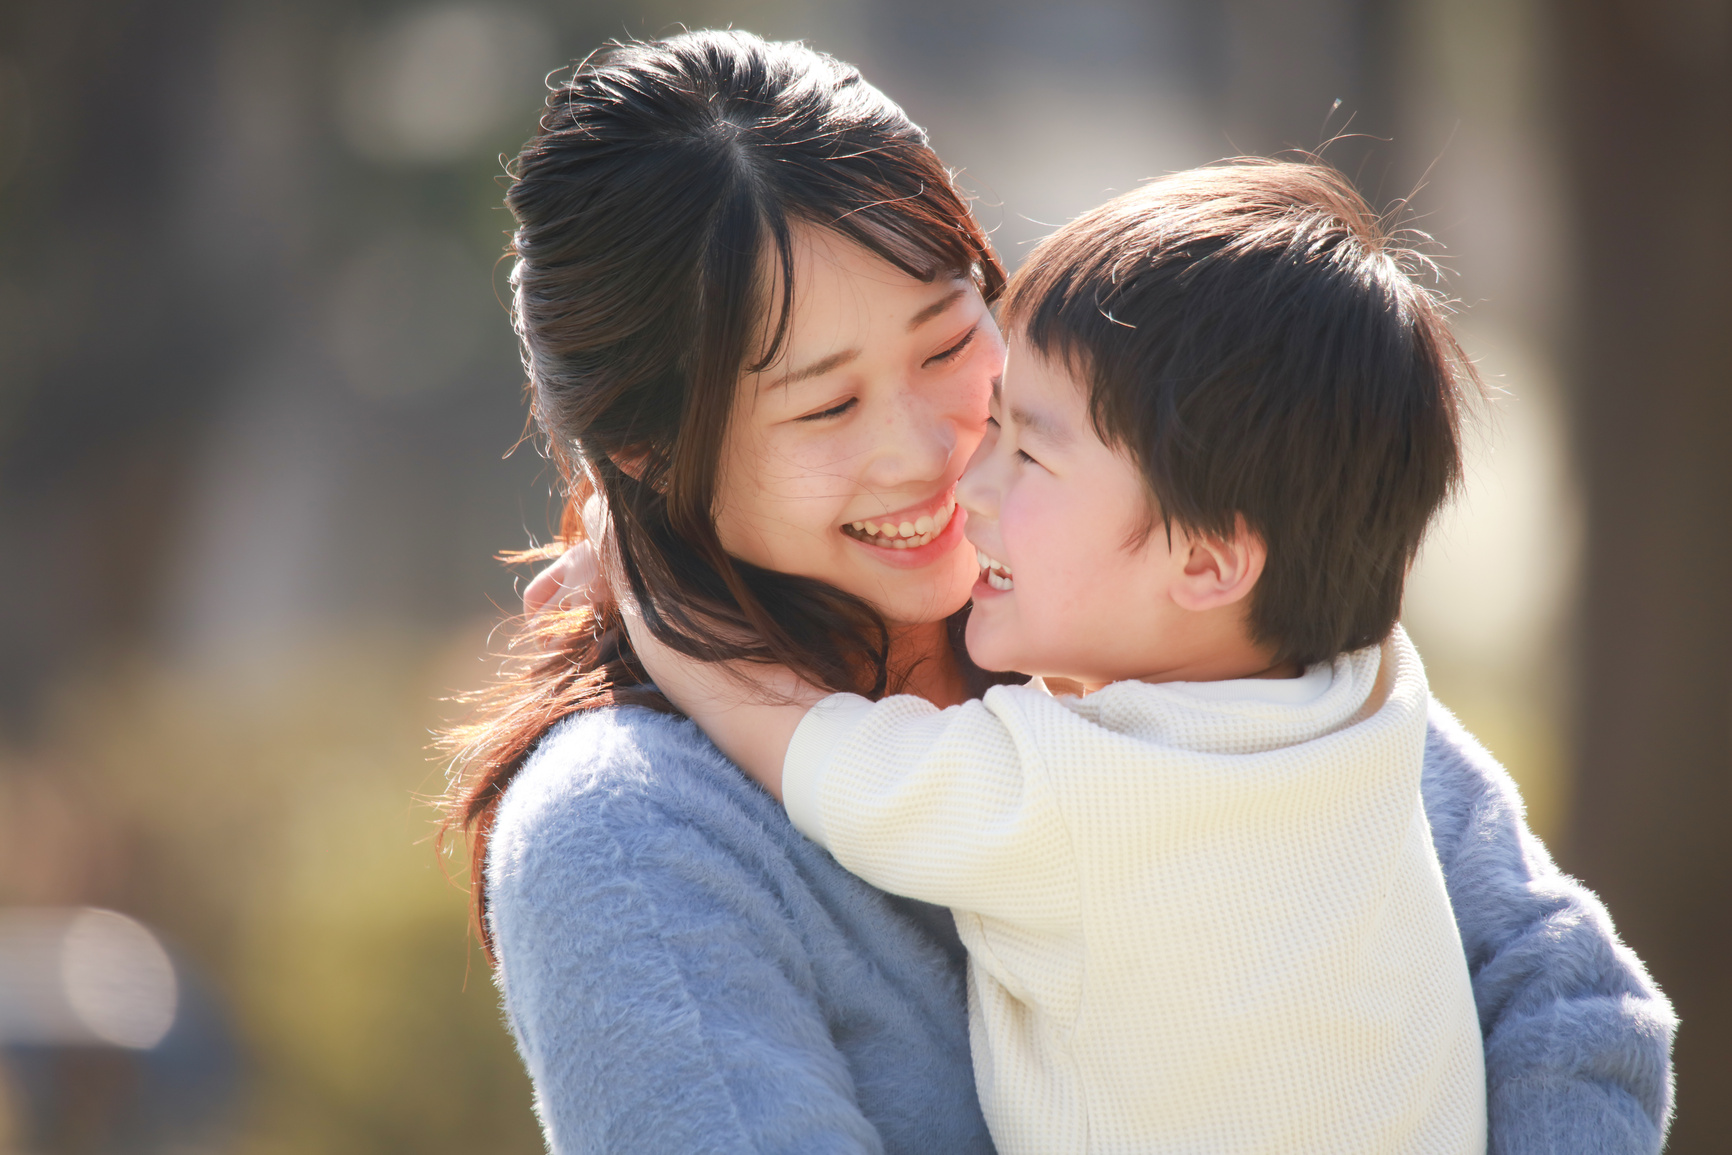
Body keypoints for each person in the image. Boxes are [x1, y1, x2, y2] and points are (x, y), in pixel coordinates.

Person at [444, 29, 1675, 1155]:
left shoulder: (1168, 625)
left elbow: (1566, 991)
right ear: (652, 456)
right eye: (826, 405)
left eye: (945, 340)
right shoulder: (627, 834)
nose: (939, 452)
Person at [627, 161, 1488, 1152]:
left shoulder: (1071, 796)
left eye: (1028, 455)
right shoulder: (1372, 692)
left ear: (1208, 560)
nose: (968, 484)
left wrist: (639, 555)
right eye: (994, 424)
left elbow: (792, 734)